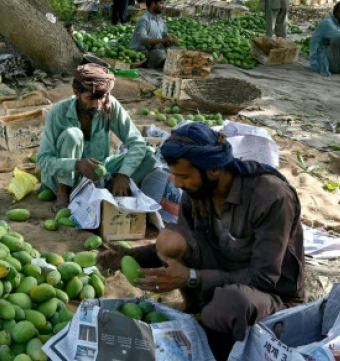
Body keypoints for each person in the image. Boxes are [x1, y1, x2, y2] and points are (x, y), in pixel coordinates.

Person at [96, 122, 304, 360]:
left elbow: (264, 278)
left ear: (214, 169)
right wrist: (130, 256)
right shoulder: (198, 192)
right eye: (174, 175)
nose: (175, 183)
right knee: (170, 240)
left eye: (183, 176)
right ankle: (195, 311)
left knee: (229, 303)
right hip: (223, 270)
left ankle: (212, 335)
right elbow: (182, 245)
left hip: (271, 294)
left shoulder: (271, 197)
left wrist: (191, 277)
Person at [36, 64, 163, 207]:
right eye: (90, 98)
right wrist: (76, 164)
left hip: (97, 175)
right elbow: (42, 160)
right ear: (76, 93)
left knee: (148, 154)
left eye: (101, 98)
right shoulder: (58, 112)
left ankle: (107, 191)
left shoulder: (109, 106)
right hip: (64, 177)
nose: (97, 105)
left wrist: (124, 174)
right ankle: (63, 192)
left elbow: (137, 143)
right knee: (73, 135)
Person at [131, 0, 180, 69]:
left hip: (158, 49)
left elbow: (164, 34)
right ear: (153, 4)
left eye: (163, 4)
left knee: (179, 50)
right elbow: (143, 40)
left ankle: (165, 63)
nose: (163, 6)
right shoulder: (144, 20)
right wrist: (163, 40)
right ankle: (148, 65)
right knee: (159, 54)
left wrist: (171, 38)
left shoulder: (160, 20)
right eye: (161, 3)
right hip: (144, 53)